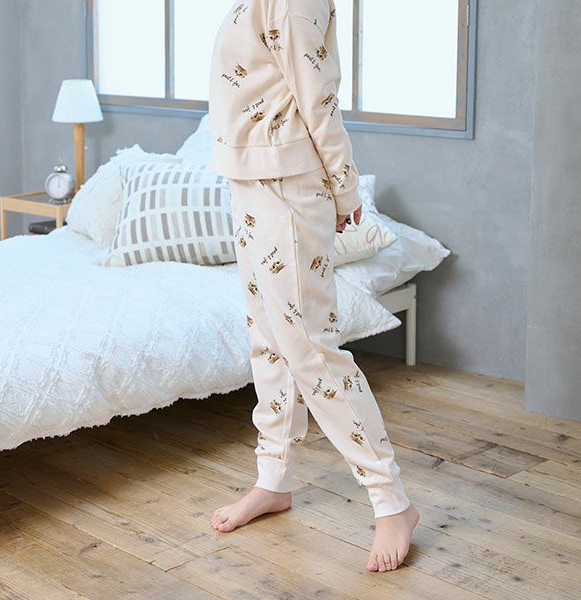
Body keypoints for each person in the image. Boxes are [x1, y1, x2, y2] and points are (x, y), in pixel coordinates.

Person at [207, 0, 419, 572]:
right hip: (250, 180)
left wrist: (345, 189)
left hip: (288, 183)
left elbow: (317, 95)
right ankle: (272, 479)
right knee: (269, 341)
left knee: (310, 349)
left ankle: (392, 501)